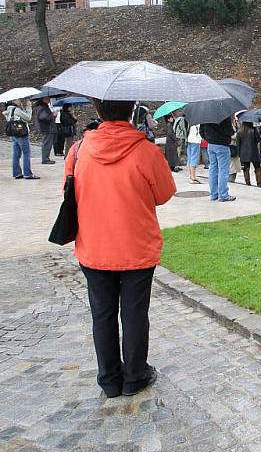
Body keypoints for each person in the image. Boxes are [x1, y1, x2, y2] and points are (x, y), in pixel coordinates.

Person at [68, 98, 176, 398]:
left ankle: (109, 379)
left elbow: (70, 190)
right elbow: (164, 194)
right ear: (131, 111)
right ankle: (134, 376)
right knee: (135, 314)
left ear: (97, 109)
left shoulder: (78, 151)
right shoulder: (146, 151)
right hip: (136, 247)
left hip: (94, 246)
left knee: (101, 314)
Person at [200, 117, 235, 202]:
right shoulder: (224, 115)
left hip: (211, 145)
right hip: (222, 145)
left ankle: (214, 194)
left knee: (213, 169)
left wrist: (208, 137)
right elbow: (229, 131)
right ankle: (223, 195)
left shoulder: (205, 115)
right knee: (223, 170)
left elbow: (201, 132)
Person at [3, 99, 38, 180]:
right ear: (12, 101)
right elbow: (28, 118)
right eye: (17, 100)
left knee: (16, 154)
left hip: (13, 134)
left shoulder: (8, 110)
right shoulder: (16, 110)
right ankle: (27, 173)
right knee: (26, 154)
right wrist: (29, 107)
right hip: (21, 134)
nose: (19, 101)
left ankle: (17, 173)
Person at [237, 121, 261, 187]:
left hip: (243, 153)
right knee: (257, 167)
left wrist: (239, 154)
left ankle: (247, 182)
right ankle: (259, 183)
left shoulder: (240, 131)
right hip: (254, 152)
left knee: (246, 168)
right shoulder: (254, 130)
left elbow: (238, 144)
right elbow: (258, 139)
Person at [33, 97, 56, 164]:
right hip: (46, 128)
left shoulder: (42, 107)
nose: (49, 100)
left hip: (47, 127)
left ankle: (46, 158)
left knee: (47, 143)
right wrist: (52, 115)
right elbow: (43, 117)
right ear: (43, 99)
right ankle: (45, 159)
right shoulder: (41, 107)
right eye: (47, 99)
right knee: (47, 143)